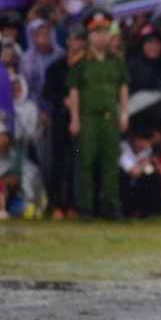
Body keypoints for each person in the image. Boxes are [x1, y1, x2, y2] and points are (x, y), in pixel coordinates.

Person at [67, 12, 130, 220]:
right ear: (89, 35)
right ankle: (85, 208)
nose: (102, 36)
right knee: (85, 163)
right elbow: (74, 90)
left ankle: (113, 207)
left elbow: (123, 87)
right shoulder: (81, 61)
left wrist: (125, 114)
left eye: (105, 31)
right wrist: (75, 118)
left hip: (111, 117)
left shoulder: (116, 60)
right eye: (97, 32)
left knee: (111, 163)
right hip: (88, 117)